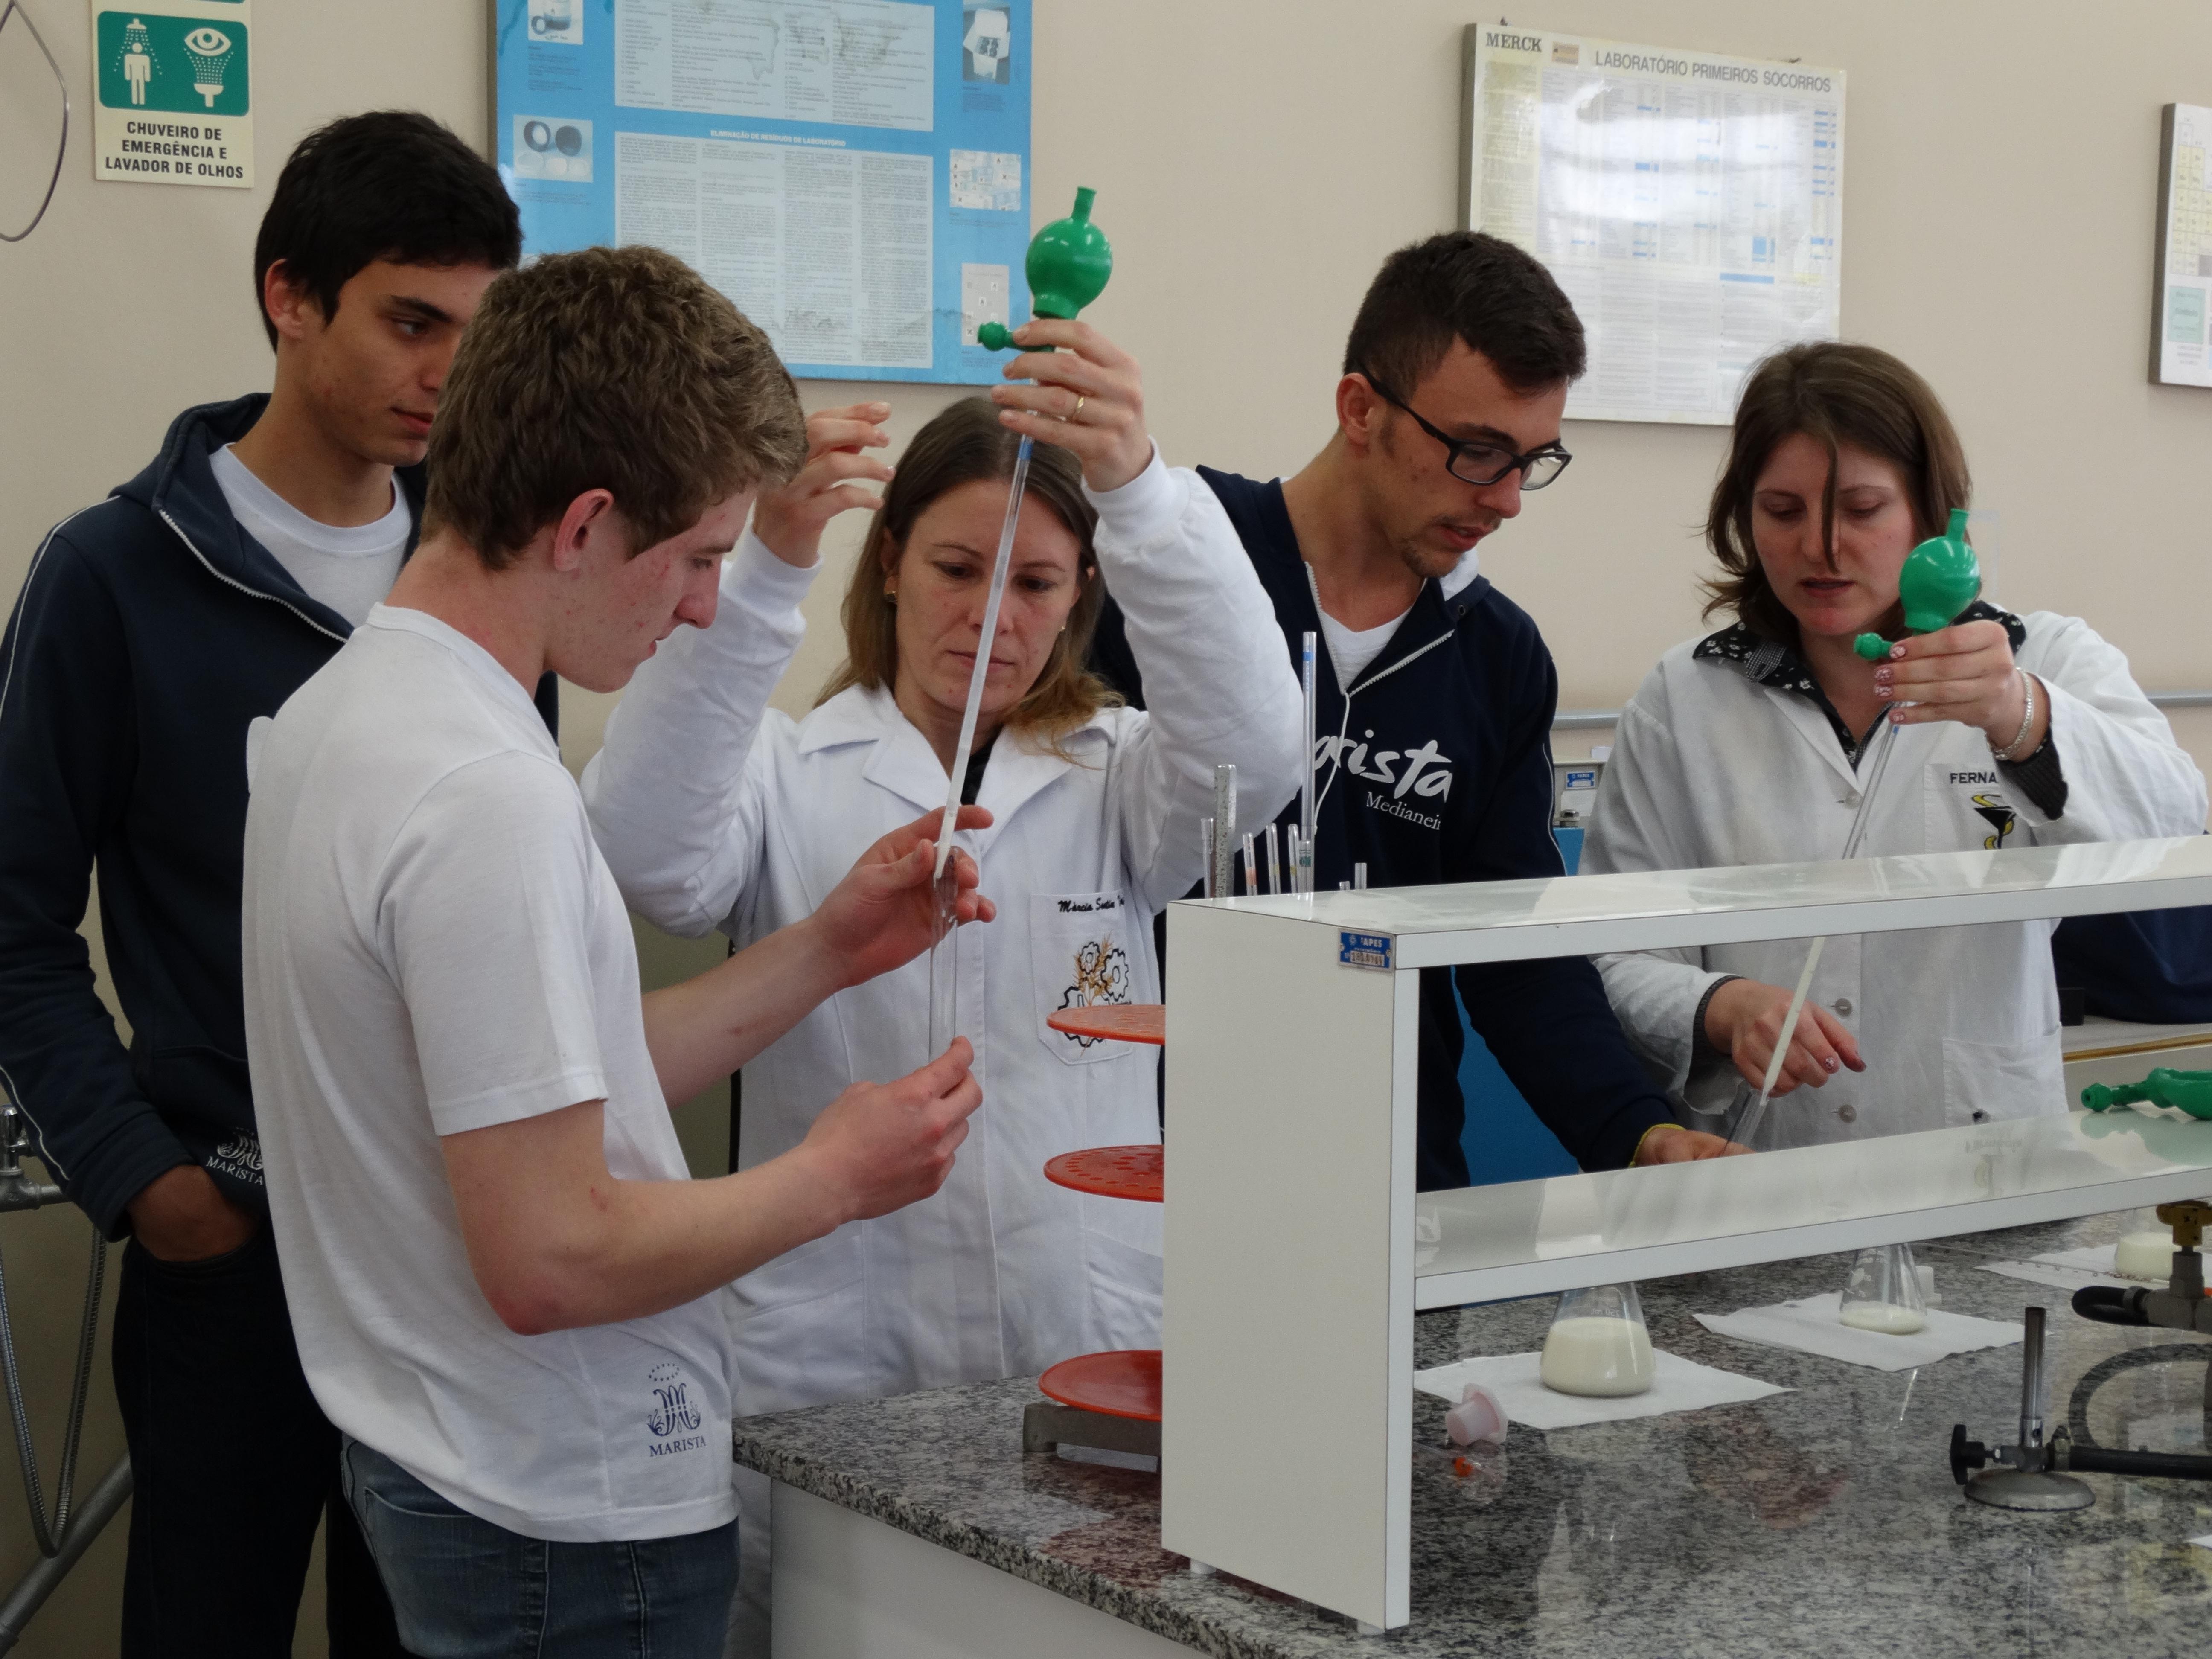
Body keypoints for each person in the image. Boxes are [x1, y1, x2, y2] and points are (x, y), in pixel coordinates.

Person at [240, 243, 992, 1654]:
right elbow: (553, 1254)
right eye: (700, 558)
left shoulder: (346, 711)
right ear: (584, 524)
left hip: (449, 1464)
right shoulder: (485, 797)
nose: (706, 606)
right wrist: (833, 1175)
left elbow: (532, 1082)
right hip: (562, 1519)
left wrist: (827, 947)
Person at [582, 328, 1304, 1646]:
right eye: (959, 569)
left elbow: (1256, 755)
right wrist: (767, 569)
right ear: (892, 567)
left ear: (1081, 598)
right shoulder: (789, 774)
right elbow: (642, 855)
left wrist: (1139, 487)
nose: (994, 616)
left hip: (1072, 1342)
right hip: (834, 1359)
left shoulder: (1122, 781)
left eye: (1037, 582)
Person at [0, 110, 532, 1656]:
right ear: (287, 296)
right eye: (410, 322)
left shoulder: (485, 568)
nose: (447, 374)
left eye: (475, 333)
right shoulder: (112, 573)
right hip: (231, 1245)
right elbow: (14, 923)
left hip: (443, 1248)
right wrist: (148, 1183)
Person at [1087, 230, 1735, 1191]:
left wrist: (1636, 1133)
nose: (1508, 501)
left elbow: (1515, 954)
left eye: (1532, 460)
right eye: (1478, 453)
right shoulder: (1174, 571)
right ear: (1361, 408)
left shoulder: (1498, 656)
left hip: (1389, 1183)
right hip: (1150, 1169)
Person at [1582, 341, 2208, 1144]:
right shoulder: (1686, 697)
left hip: (1983, 1151)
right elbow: (1613, 953)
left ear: (1931, 512)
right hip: (1761, 1153)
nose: (1822, 548)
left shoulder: (2046, 658)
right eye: (1783, 511)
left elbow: (2173, 826)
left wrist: (2019, 716)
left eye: (1863, 509)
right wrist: (1716, 1006)